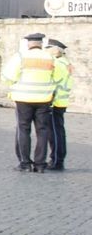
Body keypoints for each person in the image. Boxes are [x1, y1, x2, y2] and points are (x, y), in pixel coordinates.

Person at [1, 32, 67, 173]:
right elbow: (59, 77)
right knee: (42, 131)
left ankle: (25, 163)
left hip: (23, 99)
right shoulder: (50, 58)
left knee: (23, 130)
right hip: (44, 99)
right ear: (41, 44)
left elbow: (8, 76)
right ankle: (40, 164)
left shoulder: (20, 57)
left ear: (29, 43)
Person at [47, 39, 72, 171]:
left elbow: (53, 83)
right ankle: (57, 159)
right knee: (58, 131)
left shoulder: (57, 63)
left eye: (49, 48)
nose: (47, 51)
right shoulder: (65, 62)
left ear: (55, 50)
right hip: (61, 101)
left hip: (54, 102)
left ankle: (56, 161)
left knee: (55, 133)